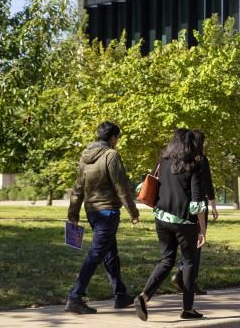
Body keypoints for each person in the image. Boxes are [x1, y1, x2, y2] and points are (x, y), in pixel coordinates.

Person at [66, 121, 140, 314]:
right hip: (108, 212)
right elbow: (120, 186)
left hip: (92, 212)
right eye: (117, 138)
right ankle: (75, 297)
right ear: (113, 138)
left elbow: (78, 188)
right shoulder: (111, 155)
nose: (117, 142)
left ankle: (120, 295)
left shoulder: (85, 157)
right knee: (96, 254)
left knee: (110, 254)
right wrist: (133, 212)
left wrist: (73, 214)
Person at [134, 129, 208, 321]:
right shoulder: (194, 165)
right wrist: (202, 230)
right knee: (189, 262)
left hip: (162, 217)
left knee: (166, 260)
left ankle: (144, 296)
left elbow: (145, 185)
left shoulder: (162, 161)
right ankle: (188, 309)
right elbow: (197, 202)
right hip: (185, 221)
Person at [171, 129, 218, 295]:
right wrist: (212, 205)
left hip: (178, 206)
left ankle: (181, 272)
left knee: (185, 242)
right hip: (197, 206)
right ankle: (189, 279)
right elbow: (207, 184)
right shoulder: (200, 160)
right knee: (197, 242)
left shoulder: (178, 159)